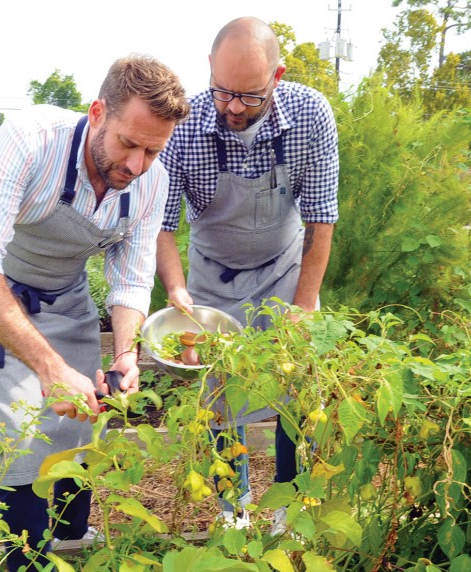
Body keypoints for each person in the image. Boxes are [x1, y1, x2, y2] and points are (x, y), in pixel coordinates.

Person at [0, 54, 190, 570]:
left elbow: (131, 276)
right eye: (128, 143)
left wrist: (126, 354)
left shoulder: (152, 179)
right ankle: (24, 553)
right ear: (98, 112)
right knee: (20, 430)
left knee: (82, 418)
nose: (137, 165)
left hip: (69, 294)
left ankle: (73, 539)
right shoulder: (31, 140)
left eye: (153, 149)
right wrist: (50, 367)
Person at [156, 17, 339, 533]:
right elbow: (161, 226)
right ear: (210, 71)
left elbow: (322, 218)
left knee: (297, 390)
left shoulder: (311, 114)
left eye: (250, 96)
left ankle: (289, 507)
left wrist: (302, 309)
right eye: (223, 92)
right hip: (211, 278)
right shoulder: (186, 126)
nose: (233, 106)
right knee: (219, 398)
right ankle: (232, 511)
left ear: (277, 76)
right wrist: (177, 292)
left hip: (286, 269)